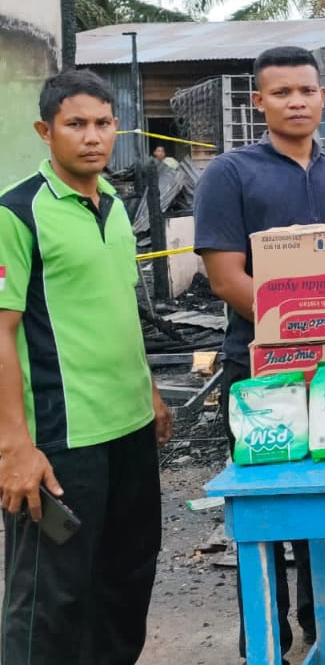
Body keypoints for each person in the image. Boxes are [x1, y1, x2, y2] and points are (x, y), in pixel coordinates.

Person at [193, 46, 325, 659]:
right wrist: (294, 327)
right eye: (281, 92)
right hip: (262, 370)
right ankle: (265, 627)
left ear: (322, 96)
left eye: (306, 90)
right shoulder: (231, 174)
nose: (296, 101)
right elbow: (224, 274)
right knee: (265, 497)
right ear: (259, 101)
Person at [0, 69, 173, 665]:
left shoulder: (115, 208)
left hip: (127, 430)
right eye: (76, 124)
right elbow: (2, 333)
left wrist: (149, 391)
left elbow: (120, 306)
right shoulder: (16, 213)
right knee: (51, 595)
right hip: (61, 437)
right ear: (46, 131)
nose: (92, 137)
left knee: (126, 580)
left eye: (103, 123)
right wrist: (15, 447)